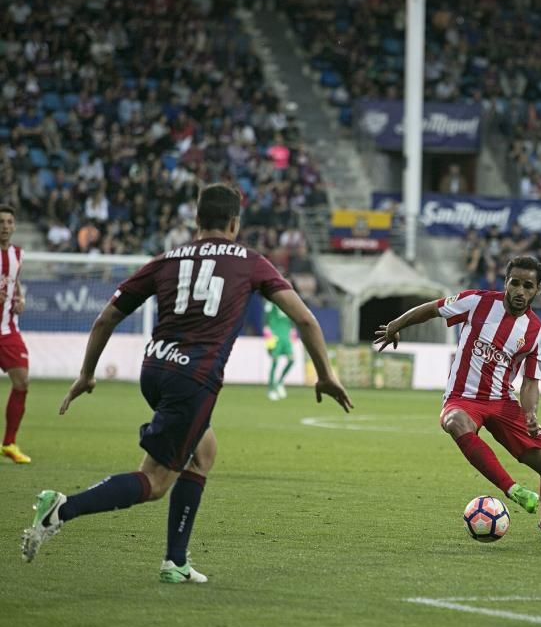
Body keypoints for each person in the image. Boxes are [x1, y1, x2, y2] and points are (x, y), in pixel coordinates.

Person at [21, 183, 353, 582]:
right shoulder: (250, 261)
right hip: (192, 379)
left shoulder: (166, 259)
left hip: (154, 370)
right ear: (235, 222)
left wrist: (87, 373)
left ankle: (175, 562)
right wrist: (326, 375)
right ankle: (62, 508)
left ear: (196, 221)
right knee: (156, 480)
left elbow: (106, 318)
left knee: (204, 451)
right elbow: (306, 319)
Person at [374, 255, 541, 542]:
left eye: (528, 286)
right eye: (515, 283)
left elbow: (531, 383)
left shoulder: (537, 334)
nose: (520, 291)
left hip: (503, 402)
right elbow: (433, 309)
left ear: (538, 290)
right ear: (506, 283)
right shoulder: (476, 302)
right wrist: (397, 323)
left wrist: (531, 413)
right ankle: (513, 490)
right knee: (454, 421)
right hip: (463, 398)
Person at [0, 203, 31, 464]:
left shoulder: (17, 255)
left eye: (9, 222)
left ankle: (9, 443)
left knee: (22, 382)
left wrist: (20, 299)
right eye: (1, 222)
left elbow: (15, 283)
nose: (5, 227)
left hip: (8, 330)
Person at [264, 297, 296, 400]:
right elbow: (265, 320)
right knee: (275, 361)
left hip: (286, 336)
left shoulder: (288, 304)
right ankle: (271, 389)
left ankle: (280, 382)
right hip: (275, 336)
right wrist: (267, 337)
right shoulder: (271, 303)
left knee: (292, 360)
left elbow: (292, 319)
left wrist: (293, 331)